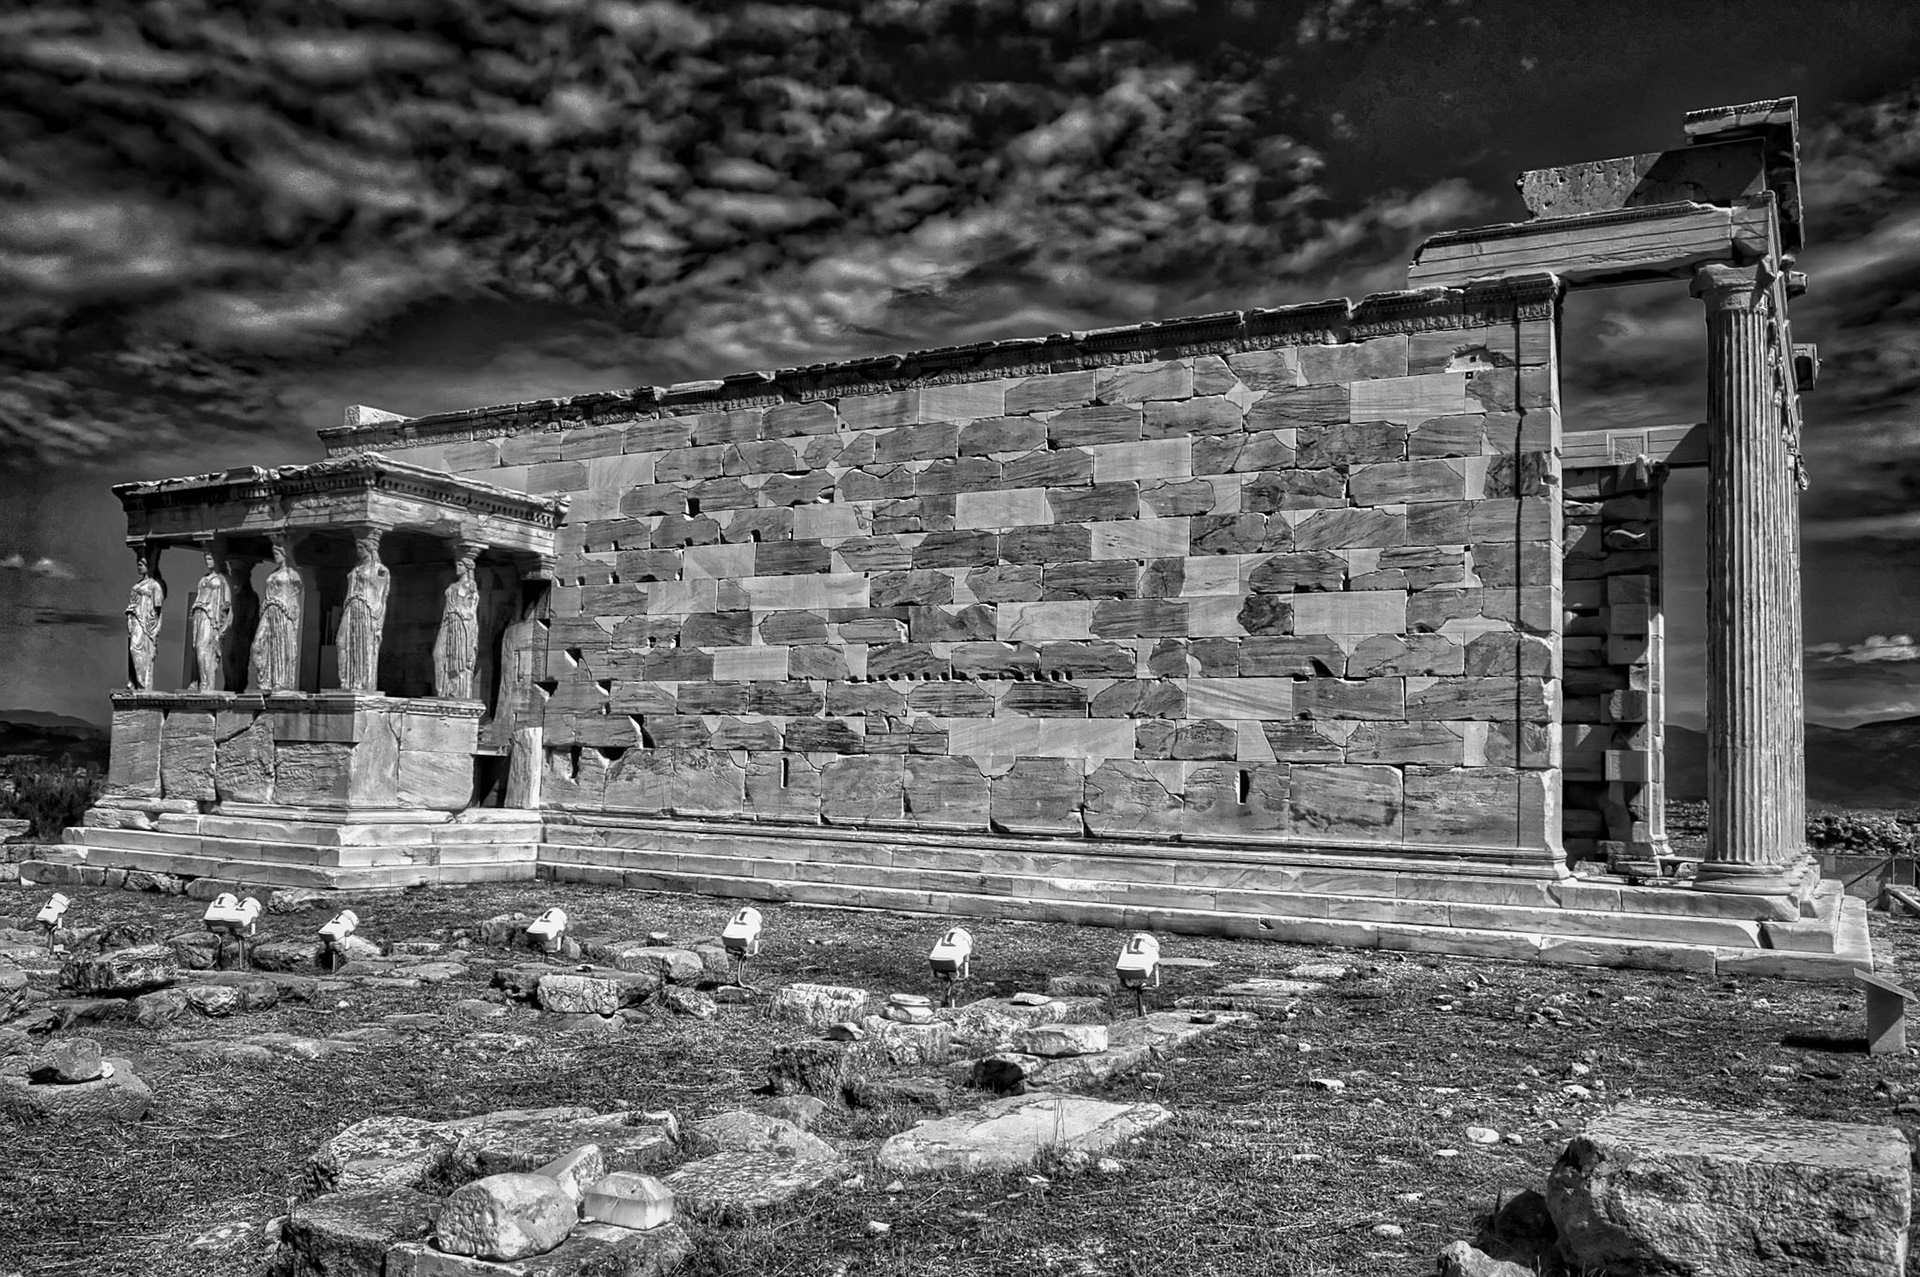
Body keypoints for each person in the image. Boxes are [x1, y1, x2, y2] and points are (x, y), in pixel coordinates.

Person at [335, 530, 390, 692]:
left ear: (369, 549)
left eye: (360, 548)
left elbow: (382, 596)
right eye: (357, 548)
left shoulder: (380, 570)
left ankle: (362, 682)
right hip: (351, 607)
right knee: (341, 642)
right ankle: (346, 680)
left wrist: (377, 618)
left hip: (366, 610)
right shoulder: (356, 568)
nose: (357, 552)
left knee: (364, 645)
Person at [250, 538, 302, 692]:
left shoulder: (293, 574)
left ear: (285, 553)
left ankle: (279, 682)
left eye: (278, 553)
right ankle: (264, 680)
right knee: (257, 646)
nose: (275, 556)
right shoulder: (274, 573)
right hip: (268, 611)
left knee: (280, 646)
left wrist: (292, 614)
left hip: (282, 613)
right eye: (274, 553)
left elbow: (295, 595)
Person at [433, 549, 481, 699]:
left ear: (467, 567)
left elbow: (472, 610)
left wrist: (458, 611)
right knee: (438, 654)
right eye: (457, 564)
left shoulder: (470, 587)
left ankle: (457, 693)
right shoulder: (453, 586)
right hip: (448, 622)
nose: (457, 568)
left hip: (462, 625)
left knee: (459, 658)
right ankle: (443, 690)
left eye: (460, 565)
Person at [188, 549, 232, 692]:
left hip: (211, 617)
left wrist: (225, 626)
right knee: (196, 649)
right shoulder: (203, 578)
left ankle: (206, 685)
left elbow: (229, 605)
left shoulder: (223, 579)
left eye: (211, 557)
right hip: (199, 615)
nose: (207, 560)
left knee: (203, 649)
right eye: (206, 558)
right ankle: (198, 682)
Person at [124, 553, 165, 690]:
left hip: (146, 623)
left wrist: (156, 628)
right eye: (138, 563)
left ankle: (143, 685)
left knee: (137, 650)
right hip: (135, 620)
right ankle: (136, 682)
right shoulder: (137, 585)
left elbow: (158, 610)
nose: (138, 565)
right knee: (133, 649)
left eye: (141, 563)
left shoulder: (155, 585)